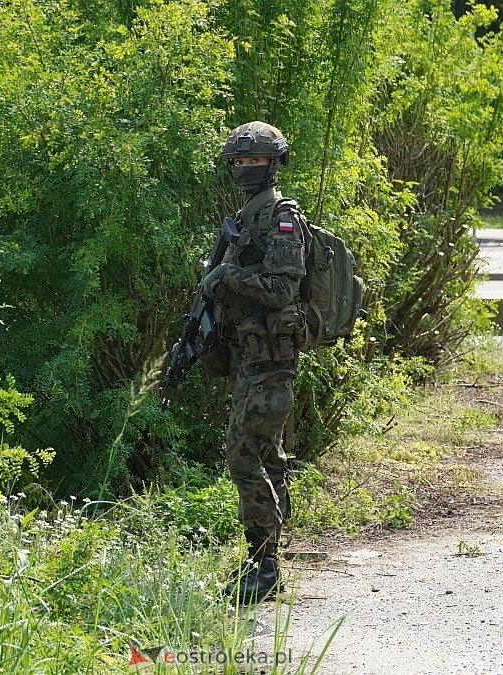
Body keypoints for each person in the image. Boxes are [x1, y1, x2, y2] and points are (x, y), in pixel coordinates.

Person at [198, 121, 308, 604]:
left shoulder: (281, 217)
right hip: (251, 357)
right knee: (265, 455)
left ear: (273, 164)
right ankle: (270, 554)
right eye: (239, 161)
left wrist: (228, 274)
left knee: (242, 455)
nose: (245, 168)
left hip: (273, 357)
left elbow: (284, 289)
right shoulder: (245, 219)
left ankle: (264, 565)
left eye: (255, 161)